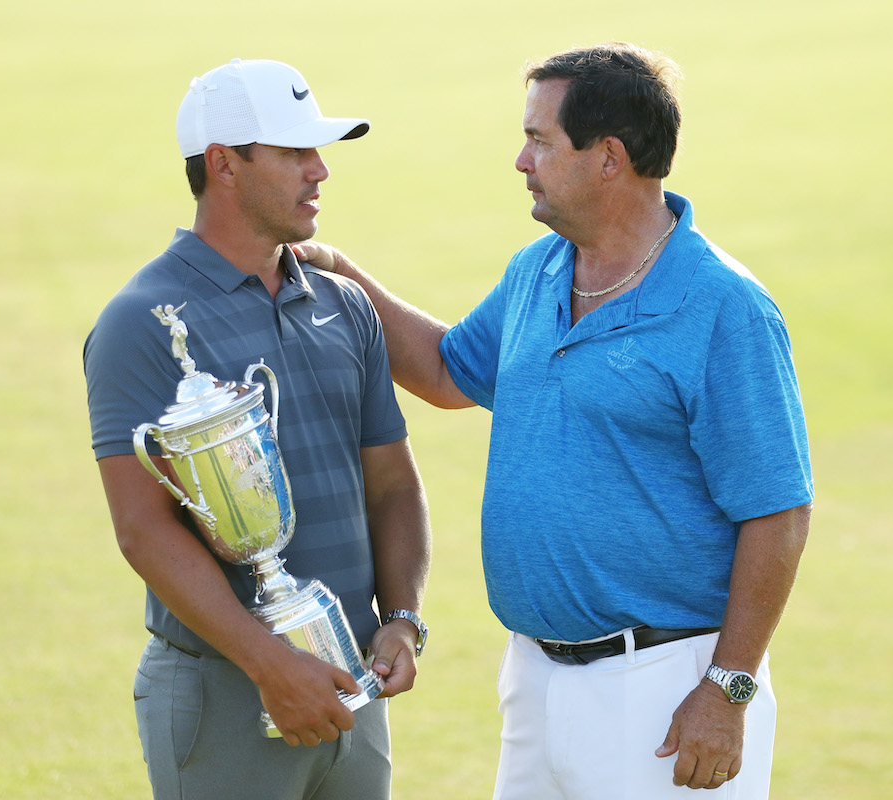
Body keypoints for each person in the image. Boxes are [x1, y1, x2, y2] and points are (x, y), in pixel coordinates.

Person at [297, 43, 813, 798]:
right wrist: (341, 273)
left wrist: (728, 688)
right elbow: (448, 371)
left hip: (669, 692)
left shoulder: (723, 308)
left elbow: (779, 512)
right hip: (535, 677)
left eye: (539, 140)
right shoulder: (538, 270)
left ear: (608, 157)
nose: (520, 159)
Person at [83, 58, 432, 800]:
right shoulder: (141, 323)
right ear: (224, 165)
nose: (320, 172)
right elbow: (143, 531)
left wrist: (401, 619)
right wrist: (272, 666)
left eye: (320, 152)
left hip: (352, 690)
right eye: (294, 153)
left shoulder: (346, 305)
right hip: (226, 696)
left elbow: (394, 486)